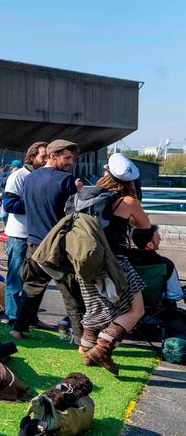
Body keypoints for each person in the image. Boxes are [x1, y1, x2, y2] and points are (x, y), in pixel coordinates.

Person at [78, 154, 149, 374]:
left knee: (93, 306)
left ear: (105, 174)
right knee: (136, 309)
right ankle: (102, 348)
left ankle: (86, 348)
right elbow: (144, 225)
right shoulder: (127, 201)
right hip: (115, 262)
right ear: (129, 181)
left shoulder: (84, 196)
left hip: (83, 261)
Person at [12, 139, 85, 340]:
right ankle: (81, 338)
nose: (71, 162)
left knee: (31, 288)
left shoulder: (30, 178)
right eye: (67, 158)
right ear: (53, 157)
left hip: (34, 243)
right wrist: (78, 191)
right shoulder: (66, 179)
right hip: (57, 245)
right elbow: (73, 214)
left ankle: (18, 329)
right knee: (71, 293)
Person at [1, 142, 53, 329]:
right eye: (43, 156)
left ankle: (30, 317)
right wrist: (36, 204)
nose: (46, 160)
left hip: (38, 237)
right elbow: (9, 205)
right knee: (16, 279)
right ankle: (13, 317)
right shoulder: (18, 175)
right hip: (19, 235)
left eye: (48, 156)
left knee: (35, 281)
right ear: (32, 158)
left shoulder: (42, 176)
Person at [129, 225, 185, 304]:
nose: (160, 239)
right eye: (158, 238)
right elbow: (175, 295)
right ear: (150, 245)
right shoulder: (166, 264)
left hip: (128, 308)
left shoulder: (124, 262)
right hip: (157, 310)